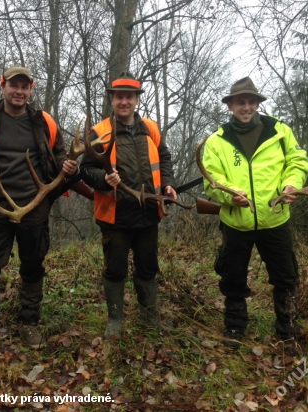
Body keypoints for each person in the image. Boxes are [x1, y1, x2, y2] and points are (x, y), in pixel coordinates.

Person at [0, 67, 78, 348]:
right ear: (2, 86)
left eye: (25, 87)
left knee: (33, 265)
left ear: (30, 90)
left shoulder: (43, 121)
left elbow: (59, 153)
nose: (19, 91)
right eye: (14, 85)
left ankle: (29, 322)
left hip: (35, 205)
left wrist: (67, 165)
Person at [202, 77, 308, 351]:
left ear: (258, 104)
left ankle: (288, 332)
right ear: (230, 106)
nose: (247, 107)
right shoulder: (217, 141)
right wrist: (230, 195)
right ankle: (235, 328)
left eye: (251, 102)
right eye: (241, 102)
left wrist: (291, 185)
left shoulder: (280, 131)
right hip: (236, 222)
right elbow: (211, 179)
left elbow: (298, 162)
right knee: (233, 278)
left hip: (275, 218)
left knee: (286, 278)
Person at [80, 71, 177, 338]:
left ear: (136, 99)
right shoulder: (99, 133)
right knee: (115, 269)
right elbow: (85, 169)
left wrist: (168, 183)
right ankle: (114, 321)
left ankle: (148, 318)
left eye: (129, 97)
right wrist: (104, 179)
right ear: (112, 99)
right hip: (115, 217)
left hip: (148, 213)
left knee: (147, 267)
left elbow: (165, 158)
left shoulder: (151, 128)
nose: (124, 102)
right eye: (119, 97)